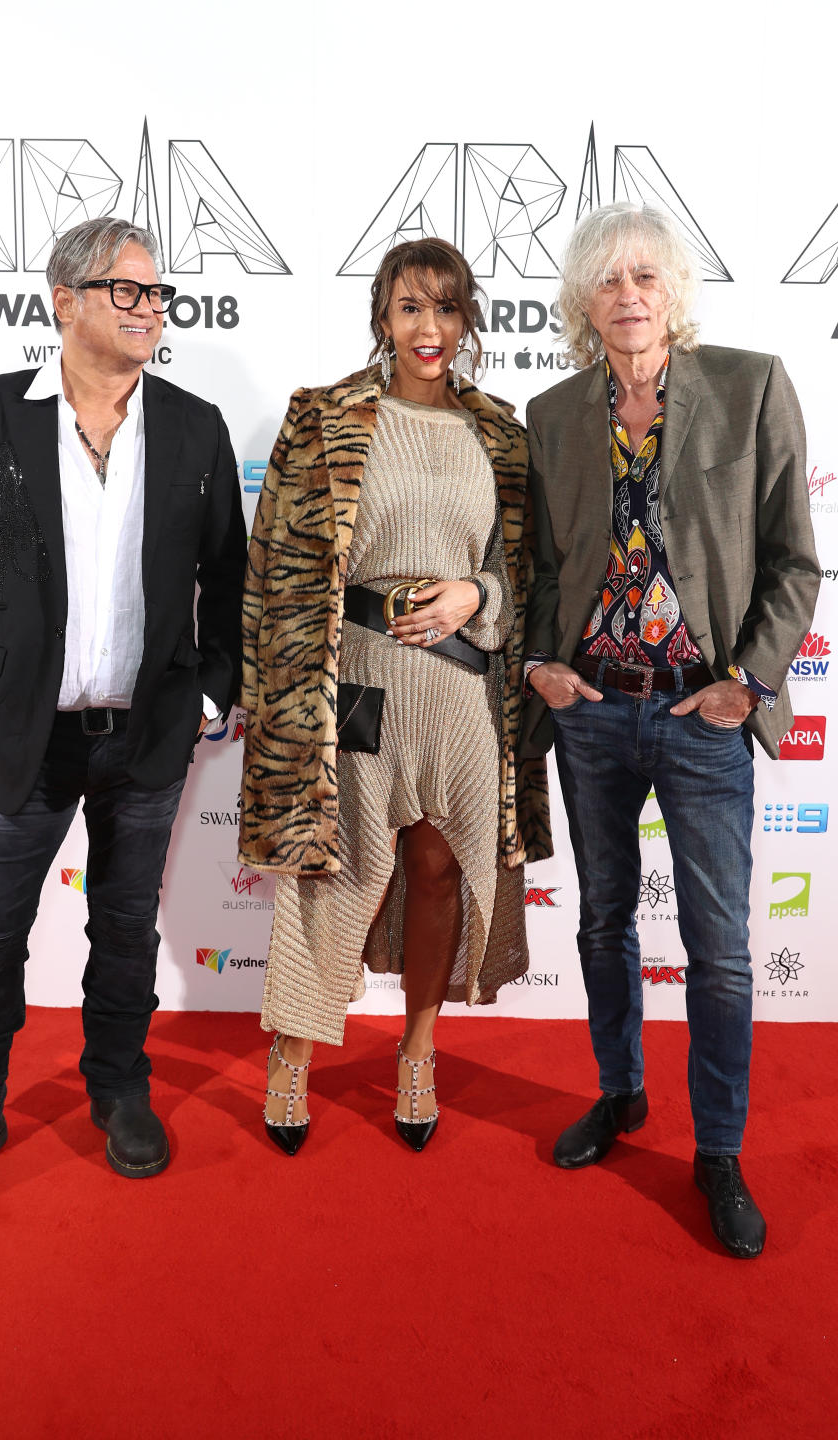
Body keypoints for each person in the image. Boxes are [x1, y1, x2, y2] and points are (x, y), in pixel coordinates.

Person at [0, 218, 246, 1215]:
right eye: (124, 290)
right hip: (16, 738)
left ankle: (119, 1090)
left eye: (154, 293)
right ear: (64, 300)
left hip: (150, 736)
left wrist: (214, 693)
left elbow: (231, 579)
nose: (146, 308)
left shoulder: (195, 425)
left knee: (126, 931)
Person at [522, 202, 819, 1257]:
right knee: (603, 922)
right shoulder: (552, 414)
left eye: (646, 276)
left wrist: (749, 680)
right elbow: (542, 569)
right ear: (584, 302)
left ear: (673, 293)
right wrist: (540, 666)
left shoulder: (749, 386)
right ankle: (620, 1096)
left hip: (704, 713)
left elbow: (794, 561)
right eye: (608, 280)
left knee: (721, 952)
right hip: (593, 712)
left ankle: (720, 1153)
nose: (629, 294)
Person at [240, 238, 551, 1155]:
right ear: (382, 315)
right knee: (335, 877)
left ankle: (418, 1053)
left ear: (467, 322)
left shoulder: (500, 433)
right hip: (357, 688)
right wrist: (279, 698)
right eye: (412, 307)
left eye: (447, 309)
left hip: (462, 692)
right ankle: (291, 1056)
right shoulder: (326, 418)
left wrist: (475, 597)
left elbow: (519, 578)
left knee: (439, 871)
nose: (430, 329)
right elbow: (278, 569)